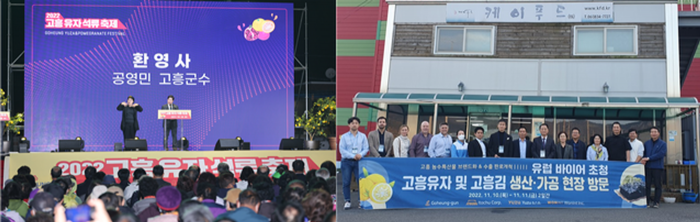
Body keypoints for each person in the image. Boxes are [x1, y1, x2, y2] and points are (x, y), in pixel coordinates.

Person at [339, 117, 369, 210]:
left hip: (359, 161)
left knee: (360, 182)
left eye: (356, 123)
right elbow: (342, 150)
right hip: (347, 161)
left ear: (359, 125)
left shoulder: (363, 136)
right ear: (349, 125)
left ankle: (361, 201)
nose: (354, 124)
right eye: (352, 123)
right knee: (346, 182)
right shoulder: (344, 136)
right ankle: (347, 201)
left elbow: (366, 148)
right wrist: (353, 156)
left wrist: (360, 154)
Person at [642, 127, 667, 208]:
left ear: (658, 133)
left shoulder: (663, 144)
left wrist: (649, 158)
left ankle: (656, 202)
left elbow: (661, 154)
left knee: (657, 185)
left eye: (655, 132)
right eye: (652, 132)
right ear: (650, 133)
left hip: (658, 167)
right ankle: (647, 202)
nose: (653, 133)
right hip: (648, 167)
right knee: (647, 185)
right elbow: (644, 154)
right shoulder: (646, 143)